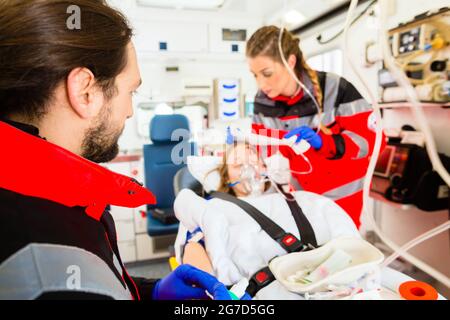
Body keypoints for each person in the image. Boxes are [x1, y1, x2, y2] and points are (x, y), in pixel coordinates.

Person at [0, 0, 230, 300]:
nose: (131, 111)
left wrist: (152, 292)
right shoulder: (44, 237)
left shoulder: (54, 199)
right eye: (130, 91)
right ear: (85, 92)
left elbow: (100, 283)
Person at [174, 143, 360, 299]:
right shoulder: (215, 206)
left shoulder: (300, 200)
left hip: (335, 282)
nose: (249, 169)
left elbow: (345, 234)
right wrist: (213, 291)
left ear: (265, 168)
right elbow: (193, 249)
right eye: (238, 165)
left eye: (254, 161)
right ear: (226, 176)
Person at [246, 26, 385, 228]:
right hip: (297, 201)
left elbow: (374, 141)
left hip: (341, 202)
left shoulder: (336, 89)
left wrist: (327, 143)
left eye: (267, 73)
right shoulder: (263, 103)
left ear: (290, 62)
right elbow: (262, 148)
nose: (261, 84)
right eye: (254, 75)